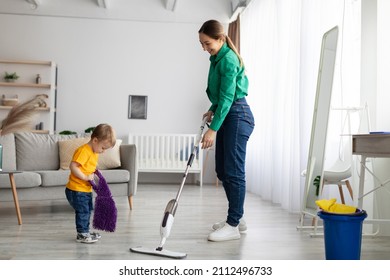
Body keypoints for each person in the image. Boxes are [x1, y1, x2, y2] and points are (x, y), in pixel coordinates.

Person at [199, 20, 255, 242]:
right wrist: (213, 109)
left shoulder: (228, 60)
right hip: (228, 113)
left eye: (207, 43)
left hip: (238, 116)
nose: (204, 48)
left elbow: (229, 97)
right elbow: (222, 93)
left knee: (234, 171)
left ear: (220, 39)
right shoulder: (216, 58)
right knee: (222, 170)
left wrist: (212, 130)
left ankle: (232, 224)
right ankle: (237, 218)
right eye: (202, 44)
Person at [65, 123, 116, 244]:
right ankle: (82, 233)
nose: (103, 151)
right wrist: (84, 176)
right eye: (103, 148)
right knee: (83, 211)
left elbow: (89, 167)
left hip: (85, 189)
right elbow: (73, 166)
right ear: (95, 140)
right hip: (76, 189)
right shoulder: (84, 151)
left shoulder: (94, 152)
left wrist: (95, 174)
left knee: (88, 210)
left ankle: (85, 231)